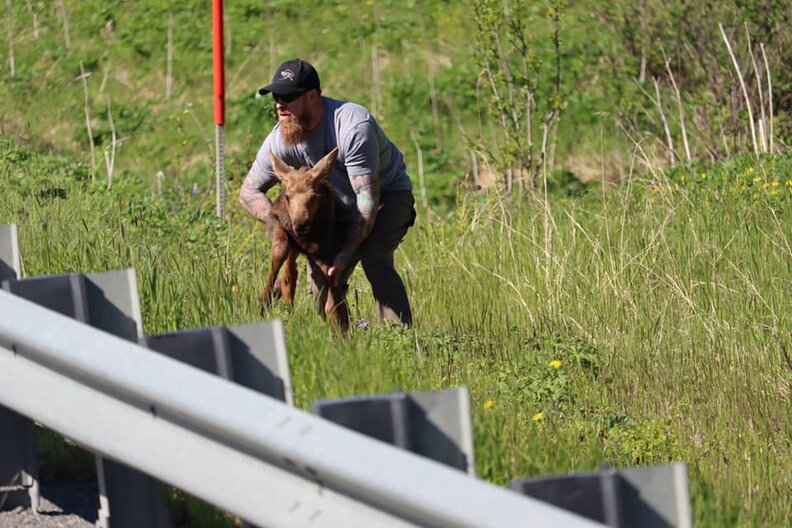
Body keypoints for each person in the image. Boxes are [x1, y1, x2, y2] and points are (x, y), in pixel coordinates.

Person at [239, 58, 415, 325]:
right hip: (332, 210)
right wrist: (288, 228)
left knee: (373, 254)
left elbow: (367, 203)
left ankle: (399, 338)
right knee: (320, 283)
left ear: (313, 96)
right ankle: (343, 348)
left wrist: (344, 254)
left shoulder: (352, 127)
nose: (279, 104)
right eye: (276, 97)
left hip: (386, 196)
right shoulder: (281, 139)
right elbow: (249, 193)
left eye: (288, 96)